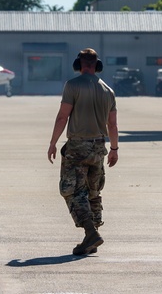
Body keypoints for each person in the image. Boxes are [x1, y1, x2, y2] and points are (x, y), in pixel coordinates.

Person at [47, 48, 119, 256]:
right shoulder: (108, 90)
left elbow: (62, 117)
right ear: (97, 65)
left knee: (71, 190)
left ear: (79, 65)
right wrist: (114, 149)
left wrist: (53, 142)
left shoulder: (72, 85)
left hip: (78, 147)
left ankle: (90, 233)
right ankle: (93, 238)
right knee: (93, 192)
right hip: (99, 147)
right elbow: (112, 125)